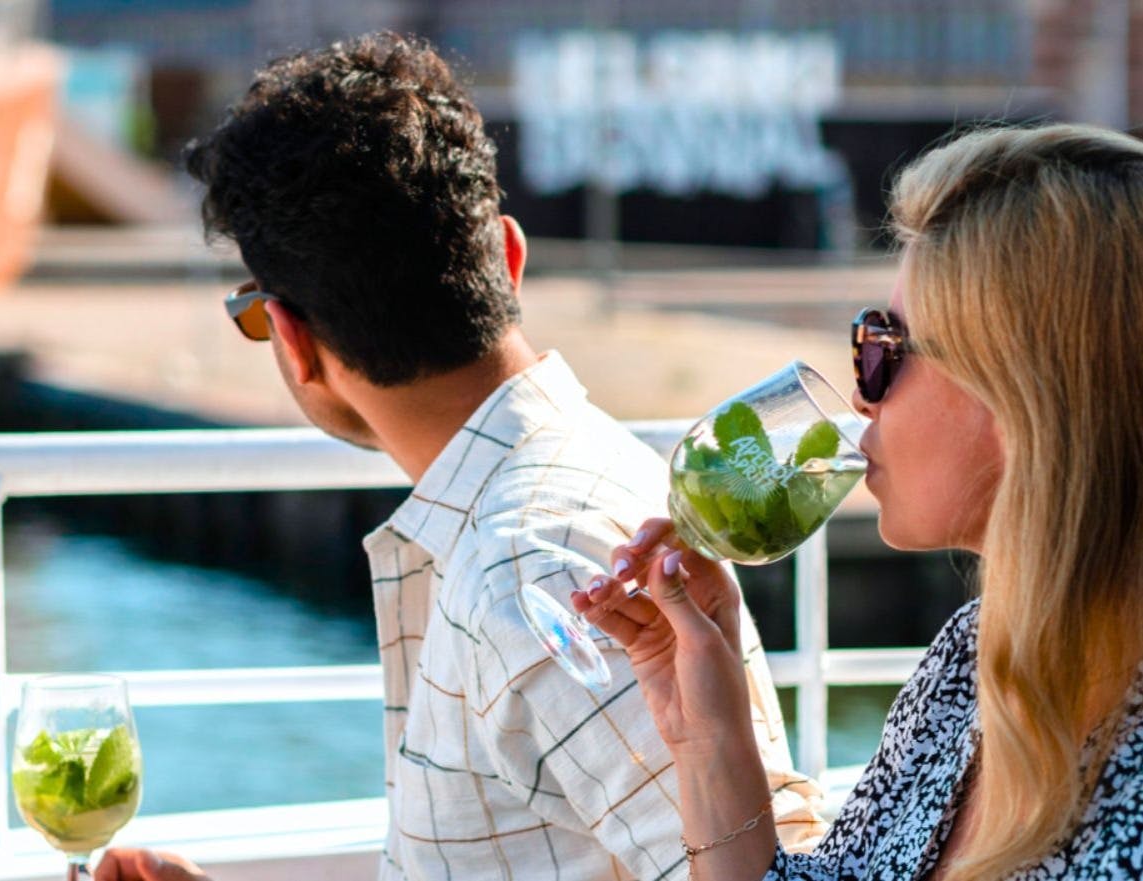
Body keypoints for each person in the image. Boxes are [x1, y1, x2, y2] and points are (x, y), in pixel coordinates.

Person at [95, 31, 824, 881]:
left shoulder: (527, 568)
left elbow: (763, 867)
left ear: (292, 340)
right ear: (508, 259)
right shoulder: (550, 504)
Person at [575, 122, 1143, 880]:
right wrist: (709, 734)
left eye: (882, 349)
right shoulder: (969, 663)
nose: (859, 395)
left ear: (1021, 398)